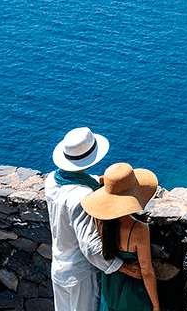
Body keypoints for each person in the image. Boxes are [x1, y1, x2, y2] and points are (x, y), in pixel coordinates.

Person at [45, 128, 141, 311]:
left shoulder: (52, 181)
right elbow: (89, 245)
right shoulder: (83, 196)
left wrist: (107, 180)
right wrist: (123, 267)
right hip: (80, 275)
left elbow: (78, 182)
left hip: (59, 268)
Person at [81, 163, 160, 311]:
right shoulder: (138, 229)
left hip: (109, 293)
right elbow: (147, 272)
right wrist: (156, 305)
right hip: (134, 298)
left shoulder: (98, 220)